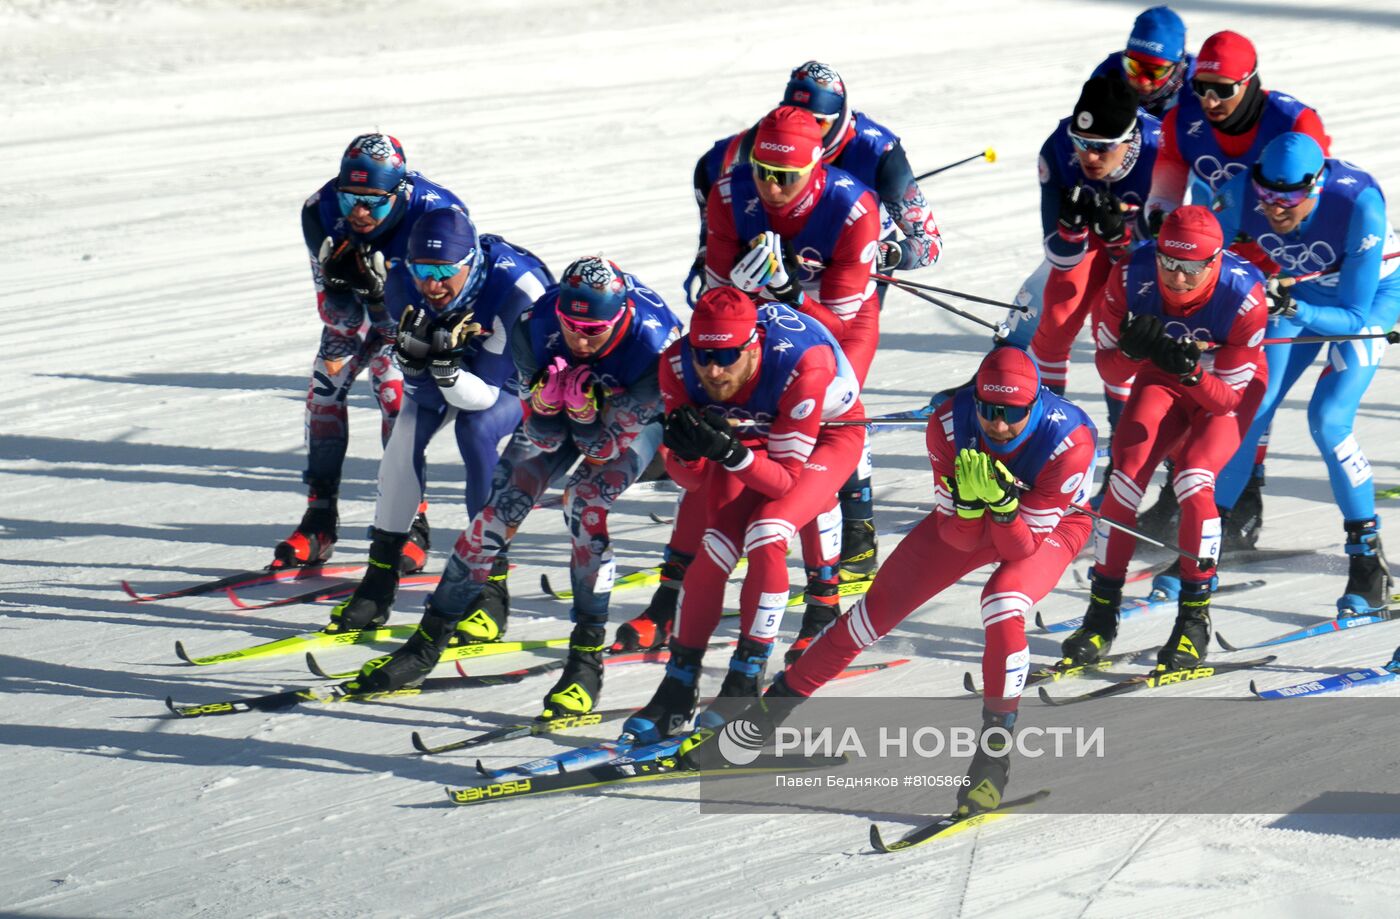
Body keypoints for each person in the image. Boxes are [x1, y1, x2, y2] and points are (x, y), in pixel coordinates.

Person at [735, 346, 1098, 817]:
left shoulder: (1070, 442)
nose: (1000, 424)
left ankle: (992, 761)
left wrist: (1003, 506)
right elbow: (956, 535)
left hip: (1045, 529)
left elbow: (1020, 549)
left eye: (1013, 414)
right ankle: (761, 721)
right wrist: (971, 506)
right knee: (869, 616)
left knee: (1002, 602)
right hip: (979, 520)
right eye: (990, 410)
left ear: (1034, 406)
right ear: (976, 398)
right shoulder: (949, 422)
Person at [342, 257, 682, 717]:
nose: (580, 339)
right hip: (578, 408)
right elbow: (541, 436)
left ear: (619, 317)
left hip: (641, 424)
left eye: (593, 329)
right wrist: (547, 405)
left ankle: (585, 659)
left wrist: (582, 412)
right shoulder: (537, 323)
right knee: (495, 515)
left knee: (583, 503)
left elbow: (603, 448)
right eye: (571, 325)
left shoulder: (655, 343)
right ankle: (426, 643)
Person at [615, 105, 881, 662]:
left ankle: (823, 599)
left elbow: (838, 317)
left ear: (818, 164)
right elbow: (716, 300)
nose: (772, 186)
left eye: (787, 176)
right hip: (743, 332)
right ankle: (672, 596)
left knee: (803, 457)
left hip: (829, 331)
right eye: (763, 170)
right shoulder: (732, 193)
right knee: (708, 448)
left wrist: (790, 295)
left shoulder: (852, 206)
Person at [685, 61, 939, 583]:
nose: (774, 184)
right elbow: (713, 241)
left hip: (838, 289)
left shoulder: (876, 156)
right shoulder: (742, 162)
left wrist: (880, 251)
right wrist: (727, 278)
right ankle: (754, 500)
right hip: (767, 287)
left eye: (820, 124)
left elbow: (927, 245)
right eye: (764, 172)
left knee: (833, 400)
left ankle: (858, 528)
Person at [621, 287, 864, 743]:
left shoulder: (802, 365)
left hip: (827, 436)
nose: (713, 371)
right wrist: (690, 453)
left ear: (752, 346)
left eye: (728, 356)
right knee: (713, 550)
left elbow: (788, 480)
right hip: (752, 436)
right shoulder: (677, 364)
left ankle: (745, 678)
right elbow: (691, 481)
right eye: (704, 355)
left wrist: (729, 452)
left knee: (768, 532)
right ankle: (679, 683)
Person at [1135, 31, 1329, 540]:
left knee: (1249, 390)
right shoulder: (1185, 118)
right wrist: (1158, 217)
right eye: (1202, 89)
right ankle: (1180, 491)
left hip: (1280, 268)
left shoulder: (1294, 122)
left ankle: (1244, 494)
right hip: (1214, 259)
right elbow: (1169, 179)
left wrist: (1290, 273)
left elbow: (1318, 200)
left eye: (1223, 89)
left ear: (1251, 81)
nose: (1211, 101)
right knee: (1189, 372)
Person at [322, 207, 553, 634]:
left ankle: (489, 587)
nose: (432, 284)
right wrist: (417, 369)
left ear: (471, 264)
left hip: (524, 376)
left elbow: (484, 397)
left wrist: (443, 370)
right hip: (463, 368)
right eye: (422, 269)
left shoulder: (516, 290)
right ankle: (379, 579)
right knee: (407, 428)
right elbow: (422, 394)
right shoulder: (400, 284)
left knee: (476, 430)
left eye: (445, 270)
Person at [1064, 206, 1266, 671]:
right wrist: (1132, 353)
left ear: (1215, 261)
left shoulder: (1243, 296)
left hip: (1224, 388)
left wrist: (1193, 371)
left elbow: (1226, 403)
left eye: (1193, 268)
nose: (1178, 278)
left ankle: (1194, 620)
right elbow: (1108, 367)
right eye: (1170, 263)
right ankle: (1101, 615)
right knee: (1123, 480)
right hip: (1163, 381)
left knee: (1194, 480)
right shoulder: (1131, 275)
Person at [1210, 133, 1400, 615]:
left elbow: (1355, 319)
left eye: (1289, 197)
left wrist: (1290, 304)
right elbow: (1199, 252)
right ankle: (1209, 540)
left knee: (1329, 420)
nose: (1275, 208)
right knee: (1250, 407)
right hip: (1300, 299)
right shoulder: (1239, 193)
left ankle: (1366, 559)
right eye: (1267, 195)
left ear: (1315, 186)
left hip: (1369, 300)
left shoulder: (1359, 204)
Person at [275, 133, 467, 570]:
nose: (359, 213)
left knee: (395, 393)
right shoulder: (320, 209)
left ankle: (410, 523)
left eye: (373, 202)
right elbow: (335, 317)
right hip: (372, 305)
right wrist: (345, 285)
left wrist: (379, 296)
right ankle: (318, 517)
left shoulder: (437, 218)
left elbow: (428, 317)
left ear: (400, 192)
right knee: (325, 386)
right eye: (351, 199)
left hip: (419, 315)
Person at [1000, 75, 1160, 456]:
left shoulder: (1160, 152)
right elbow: (1059, 256)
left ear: (1129, 141)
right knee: (1053, 326)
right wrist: (1071, 231)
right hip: (1093, 245)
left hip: (1144, 258)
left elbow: (1163, 265)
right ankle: (1044, 439)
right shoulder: (1058, 147)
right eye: (1083, 142)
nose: (1089, 156)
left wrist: (1122, 239)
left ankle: (1124, 447)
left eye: (1102, 148)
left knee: (1116, 332)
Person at [1089, 6, 1194, 118]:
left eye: (1155, 71)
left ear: (1177, 66)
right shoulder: (1108, 74)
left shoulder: (1199, 90)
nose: (1142, 81)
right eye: (1132, 66)